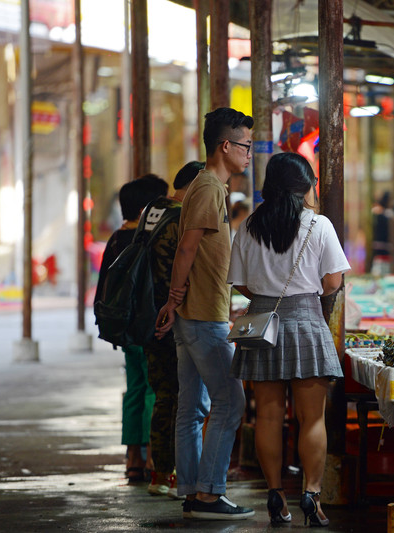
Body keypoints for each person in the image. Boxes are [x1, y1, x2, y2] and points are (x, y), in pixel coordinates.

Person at [227, 152, 350, 527]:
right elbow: (333, 281)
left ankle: (275, 493)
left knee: (267, 416)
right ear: (305, 186)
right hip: (306, 323)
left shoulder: (249, 226)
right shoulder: (319, 225)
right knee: (311, 418)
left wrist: (267, 296)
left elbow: (240, 282)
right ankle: (311, 495)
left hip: (261, 326)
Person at [154, 108, 255, 520]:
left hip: (195, 311)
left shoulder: (209, 186)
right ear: (225, 146)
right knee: (231, 401)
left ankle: (194, 492)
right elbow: (187, 247)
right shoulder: (210, 187)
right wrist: (174, 298)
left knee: (192, 408)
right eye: (246, 145)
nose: (249, 153)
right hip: (201, 314)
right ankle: (210, 494)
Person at [95, 175, 168, 484]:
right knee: (154, 388)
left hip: (124, 328)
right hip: (149, 326)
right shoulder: (147, 238)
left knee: (135, 389)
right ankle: (153, 456)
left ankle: (133, 458)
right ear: (146, 209)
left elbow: (103, 287)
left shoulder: (116, 239)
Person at [142, 161, 203, 497]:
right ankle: (176, 472)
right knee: (181, 398)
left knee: (164, 395)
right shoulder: (181, 218)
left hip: (148, 314)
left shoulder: (153, 210)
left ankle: (160, 473)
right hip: (172, 316)